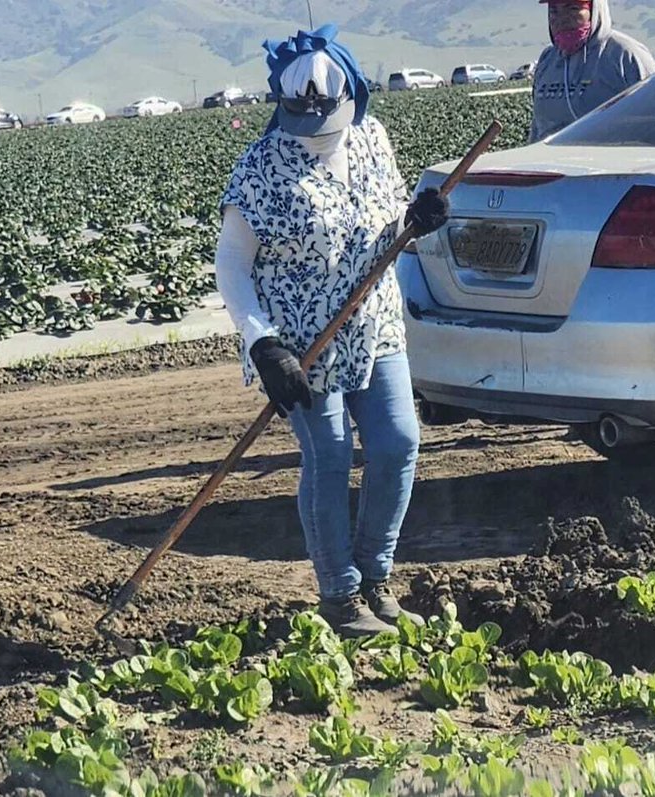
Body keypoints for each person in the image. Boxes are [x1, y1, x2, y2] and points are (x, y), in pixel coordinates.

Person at [215, 24, 450, 638]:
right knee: (330, 454)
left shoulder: (372, 139)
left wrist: (416, 220)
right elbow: (232, 266)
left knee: (398, 443)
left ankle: (376, 577)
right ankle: (340, 594)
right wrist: (261, 342)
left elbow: (389, 215)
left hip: (374, 324)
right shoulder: (261, 167)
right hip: (298, 345)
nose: (315, 127)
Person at [529, 0, 655, 142]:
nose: (562, 18)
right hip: (550, 161)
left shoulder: (625, 55)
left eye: (572, 8)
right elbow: (537, 129)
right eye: (554, 11)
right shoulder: (548, 60)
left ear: (595, 10)